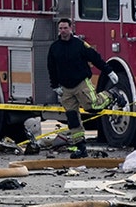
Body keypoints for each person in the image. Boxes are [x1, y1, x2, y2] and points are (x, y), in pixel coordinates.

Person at [47, 18, 126, 158]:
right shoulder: (54, 48)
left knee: (93, 106)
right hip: (65, 88)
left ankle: (112, 95)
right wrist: (55, 86)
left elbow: (95, 58)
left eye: (65, 28)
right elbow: (51, 68)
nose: (63, 31)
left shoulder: (79, 44)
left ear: (71, 28)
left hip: (81, 83)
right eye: (61, 28)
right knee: (72, 118)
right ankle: (81, 147)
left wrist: (109, 71)